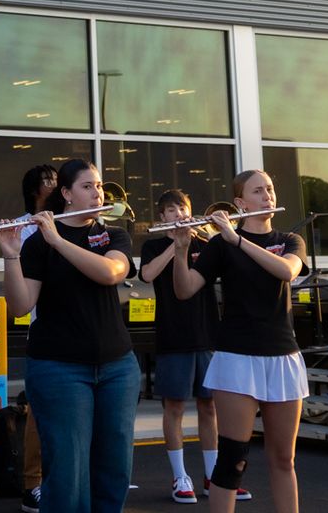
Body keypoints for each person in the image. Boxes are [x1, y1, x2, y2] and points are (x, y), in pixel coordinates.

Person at [0, 158, 137, 513]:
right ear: (66, 194)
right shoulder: (39, 244)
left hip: (117, 366)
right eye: (88, 186)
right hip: (58, 368)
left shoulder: (112, 235)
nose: (97, 192)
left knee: (114, 466)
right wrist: (11, 256)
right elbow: (20, 306)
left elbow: (110, 272)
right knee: (67, 471)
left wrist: (58, 241)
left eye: (99, 186)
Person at [171, 170, 303, 512]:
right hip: (236, 356)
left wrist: (237, 239)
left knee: (283, 459)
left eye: (270, 189)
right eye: (258, 191)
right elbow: (184, 290)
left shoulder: (289, 239)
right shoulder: (219, 245)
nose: (268, 196)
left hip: (282, 355)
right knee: (232, 459)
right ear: (241, 202)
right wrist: (182, 250)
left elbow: (287, 271)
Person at [137, 190, 223, 504]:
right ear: (162, 217)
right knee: (173, 407)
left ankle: (213, 475)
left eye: (182, 209)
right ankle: (179, 476)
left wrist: (212, 235)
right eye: (171, 211)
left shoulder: (206, 242)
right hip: (173, 337)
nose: (178, 215)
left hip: (208, 335)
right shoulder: (154, 245)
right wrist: (177, 245)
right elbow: (147, 274)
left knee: (209, 406)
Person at [15, 162, 57, 513]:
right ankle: (32, 482)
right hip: (43, 324)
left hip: (76, 329)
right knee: (37, 410)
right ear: (34, 190)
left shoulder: (70, 220)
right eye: (48, 181)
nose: (55, 184)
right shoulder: (26, 229)